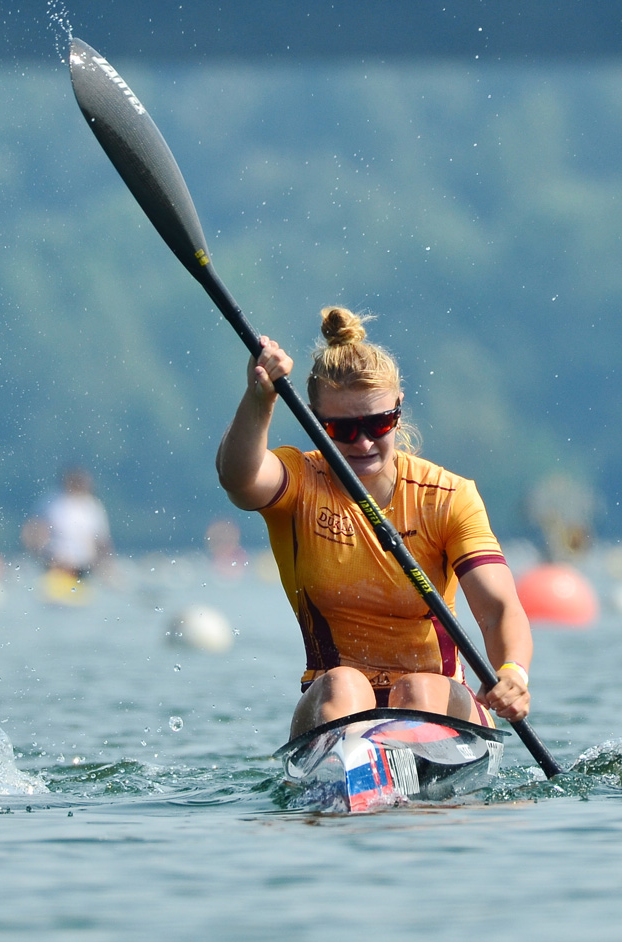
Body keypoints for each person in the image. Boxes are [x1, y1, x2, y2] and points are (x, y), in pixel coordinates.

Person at [216, 306, 533, 738]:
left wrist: (512, 672)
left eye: (379, 423)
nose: (363, 443)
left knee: (417, 690)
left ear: (398, 410)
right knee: (344, 685)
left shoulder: (447, 496)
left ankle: (400, 754)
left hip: (438, 699)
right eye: (343, 429)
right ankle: (357, 760)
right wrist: (260, 398)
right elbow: (238, 478)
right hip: (336, 704)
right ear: (316, 420)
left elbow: (497, 610)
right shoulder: (300, 483)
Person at [21, 467, 113, 577]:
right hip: (53, 563)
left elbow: (102, 541)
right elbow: (32, 529)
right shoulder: (51, 502)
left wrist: (106, 566)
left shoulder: (93, 506)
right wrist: (38, 553)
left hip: (83, 567)